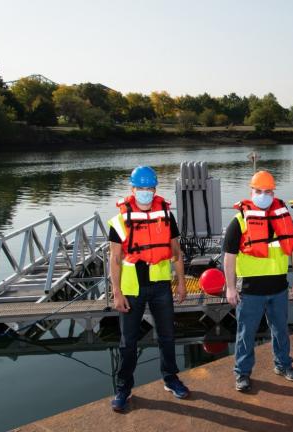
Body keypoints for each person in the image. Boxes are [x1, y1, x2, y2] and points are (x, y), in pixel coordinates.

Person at [108, 166, 190, 412]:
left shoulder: (166, 215)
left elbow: (176, 253)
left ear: (155, 189)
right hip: (131, 289)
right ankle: (123, 388)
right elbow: (114, 259)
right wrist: (117, 292)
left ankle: (171, 378)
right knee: (128, 342)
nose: (145, 192)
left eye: (149, 188)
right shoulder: (119, 219)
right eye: (140, 188)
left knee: (167, 336)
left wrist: (182, 283)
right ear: (132, 189)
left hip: (160, 286)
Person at [223, 170, 293, 393]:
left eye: (267, 191)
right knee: (245, 335)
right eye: (258, 191)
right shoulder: (239, 221)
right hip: (250, 292)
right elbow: (229, 258)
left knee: (281, 331)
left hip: (278, 289)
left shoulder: (284, 220)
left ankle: (284, 365)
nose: (263, 195)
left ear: (273, 192)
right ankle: (242, 373)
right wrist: (230, 288)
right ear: (251, 191)